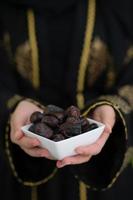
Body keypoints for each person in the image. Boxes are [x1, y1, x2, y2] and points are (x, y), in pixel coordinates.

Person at [0, 0, 133, 199]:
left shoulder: (122, 7)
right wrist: (13, 107)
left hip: (105, 176)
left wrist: (113, 109)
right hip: (20, 175)